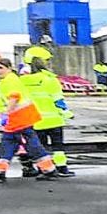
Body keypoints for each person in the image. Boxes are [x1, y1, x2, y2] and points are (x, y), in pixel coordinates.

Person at [0, 57, 58, 182]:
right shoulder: (8, 80)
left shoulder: (10, 81)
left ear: (9, 68)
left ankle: (49, 170)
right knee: (9, 144)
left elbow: (14, 98)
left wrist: (6, 115)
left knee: (30, 145)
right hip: (17, 120)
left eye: (0, 68)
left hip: (19, 119)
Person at [21, 46, 74, 177]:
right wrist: (67, 113)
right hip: (53, 119)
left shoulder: (22, 81)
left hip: (35, 120)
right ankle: (62, 168)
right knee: (58, 147)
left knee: (41, 147)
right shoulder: (50, 79)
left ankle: (43, 169)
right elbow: (58, 100)